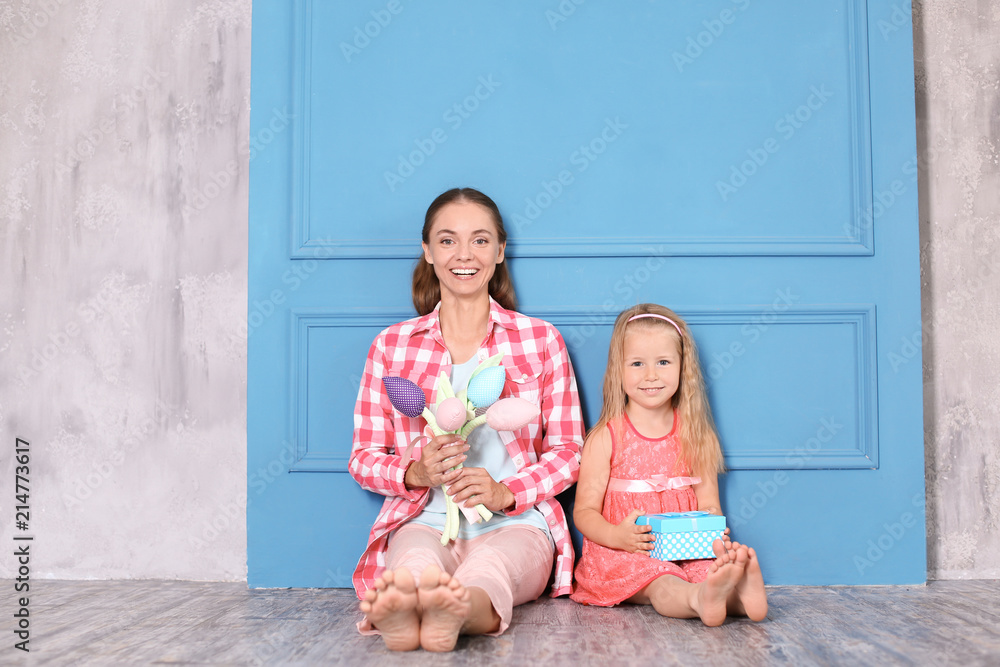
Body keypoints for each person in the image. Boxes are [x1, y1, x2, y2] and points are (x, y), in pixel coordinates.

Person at [349, 187, 584, 651]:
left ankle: (450, 617)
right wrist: (414, 472)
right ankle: (412, 611)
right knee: (414, 566)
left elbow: (569, 452)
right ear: (428, 251)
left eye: (479, 240)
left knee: (488, 573)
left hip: (518, 526)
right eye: (447, 240)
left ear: (499, 252)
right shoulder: (391, 347)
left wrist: (505, 491)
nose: (464, 254)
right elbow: (363, 458)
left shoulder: (540, 340)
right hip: (424, 520)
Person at [570, 303, 768, 626]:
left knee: (706, 570)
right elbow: (584, 512)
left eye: (663, 362)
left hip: (685, 548)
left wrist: (713, 536)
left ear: (682, 367)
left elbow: (710, 506)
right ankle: (698, 599)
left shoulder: (697, 435)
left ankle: (740, 595)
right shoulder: (606, 437)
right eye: (637, 363)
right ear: (617, 370)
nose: (651, 375)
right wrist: (619, 536)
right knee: (661, 580)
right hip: (625, 554)